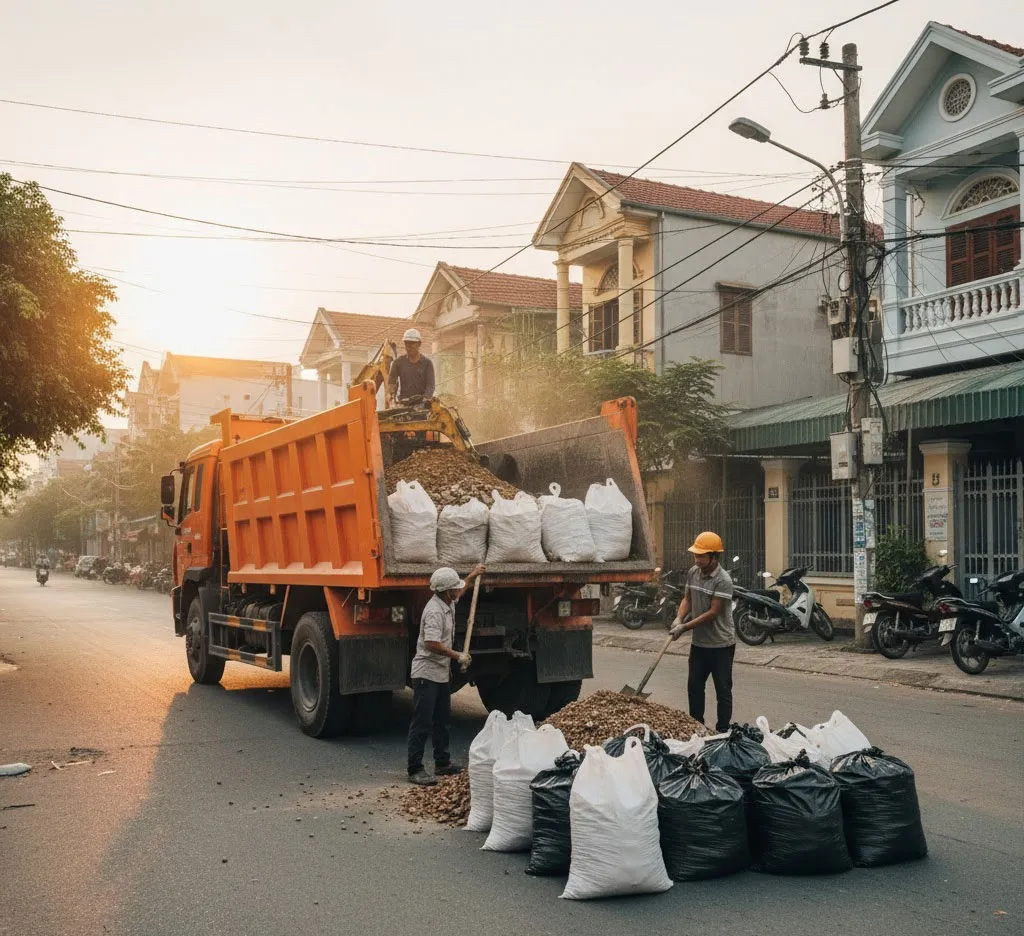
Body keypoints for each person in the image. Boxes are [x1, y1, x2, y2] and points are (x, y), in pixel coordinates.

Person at [407, 563, 486, 786]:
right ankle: (415, 768)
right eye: (455, 588)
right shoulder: (434, 611)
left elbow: (463, 589)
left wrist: (472, 575)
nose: (458, 591)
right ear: (446, 591)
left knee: (442, 720)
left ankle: (442, 762)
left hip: (441, 674)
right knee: (422, 722)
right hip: (426, 673)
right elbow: (432, 643)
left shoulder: (447, 602)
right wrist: (457, 656)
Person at [669, 531, 736, 733]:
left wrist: (685, 627)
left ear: (714, 556)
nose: (697, 560)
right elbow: (687, 598)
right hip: (699, 644)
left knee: (723, 689)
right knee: (695, 686)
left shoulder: (723, 580)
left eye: (701, 556)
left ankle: (722, 730)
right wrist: (679, 618)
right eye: (696, 555)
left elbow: (713, 613)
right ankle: (696, 727)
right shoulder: (693, 572)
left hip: (721, 644)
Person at [388, 328, 435, 404]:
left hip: (421, 405)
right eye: (406, 343)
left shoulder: (427, 363)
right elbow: (391, 382)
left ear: (419, 344)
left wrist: (425, 400)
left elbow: (430, 386)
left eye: (412, 343)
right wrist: (390, 396)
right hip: (403, 403)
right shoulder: (398, 363)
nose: (409, 347)